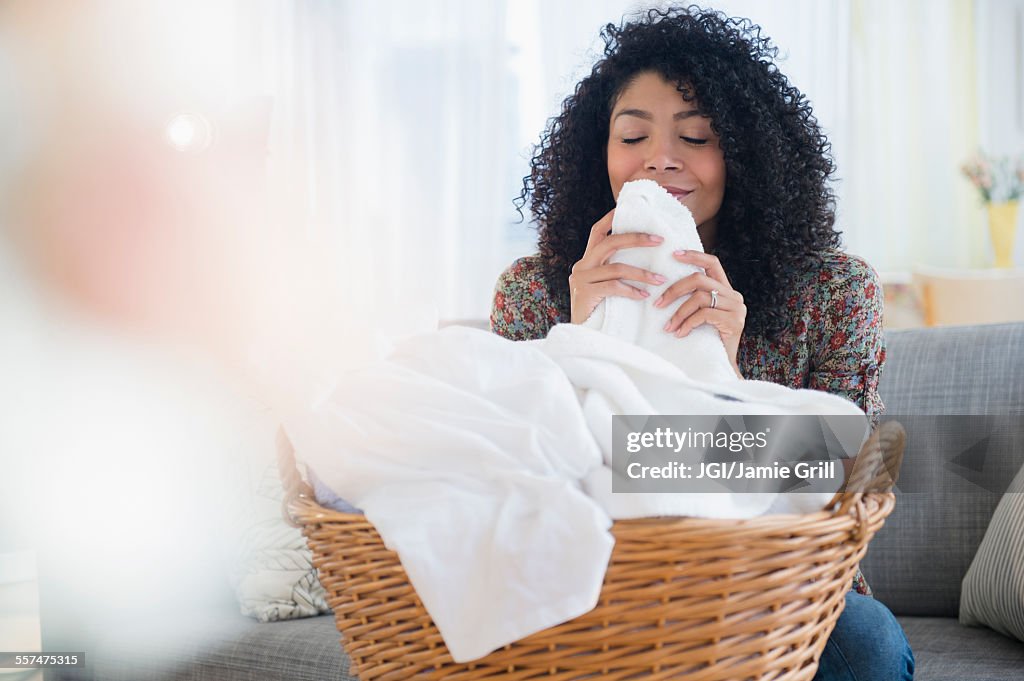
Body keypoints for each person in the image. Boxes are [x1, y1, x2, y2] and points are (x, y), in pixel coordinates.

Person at [491, 7, 913, 680]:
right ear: (598, 152)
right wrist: (578, 339)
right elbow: (510, 476)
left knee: (865, 642)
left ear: (746, 153)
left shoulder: (834, 290)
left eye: (695, 135)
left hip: (778, 590)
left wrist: (729, 373)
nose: (660, 158)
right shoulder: (535, 291)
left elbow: (843, 478)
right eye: (633, 135)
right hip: (599, 578)